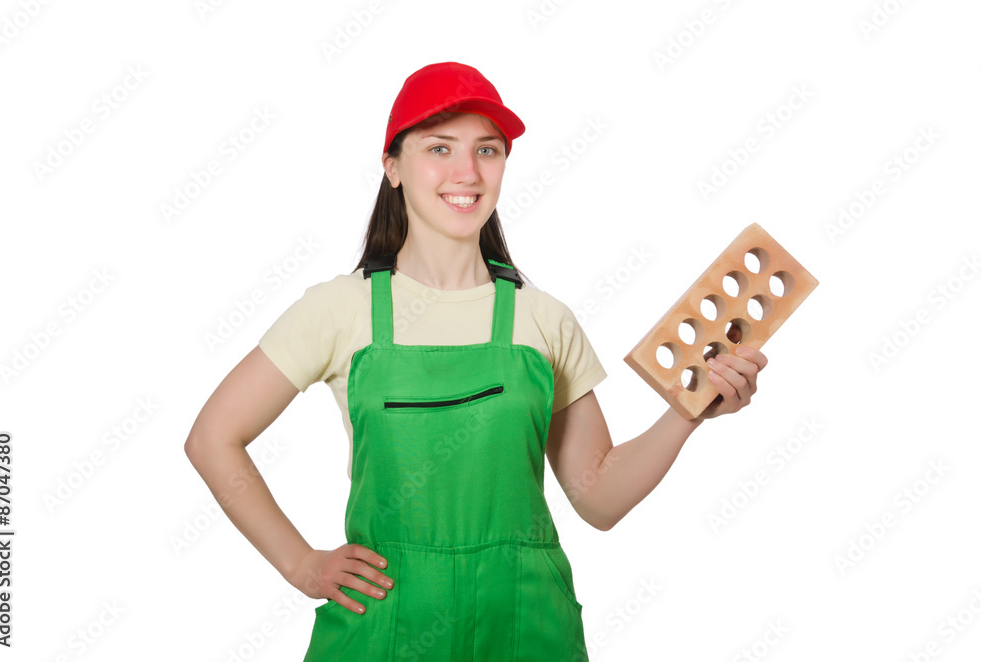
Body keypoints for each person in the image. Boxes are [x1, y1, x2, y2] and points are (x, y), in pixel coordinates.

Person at [184, 61, 766, 661]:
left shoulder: (543, 318)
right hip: (385, 626)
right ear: (393, 166)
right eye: (440, 148)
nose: (467, 172)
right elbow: (212, 439)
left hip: (525, 626)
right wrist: (301, 564)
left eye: (487, 150)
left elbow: (599, 498)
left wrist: (687, 412)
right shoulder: (339, 309)